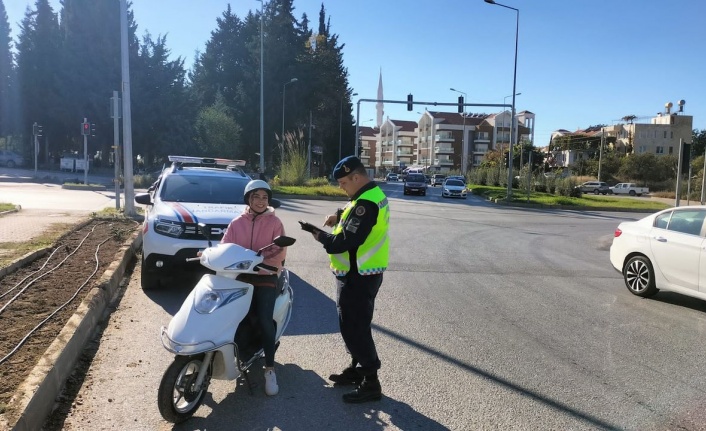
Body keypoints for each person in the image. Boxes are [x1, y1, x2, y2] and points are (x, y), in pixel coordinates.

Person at [309, 156, 390, 403]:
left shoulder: (366, 204)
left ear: (357, 177)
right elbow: (351, 209)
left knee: (355, 328)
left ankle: (370, 382)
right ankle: (357, 370)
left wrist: (318, 234)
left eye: (344, 182)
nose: (341, 187)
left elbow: (342, 242)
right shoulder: (371, 194)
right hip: (363, 273)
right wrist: (338, 214)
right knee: (355, 325)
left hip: (358, 276)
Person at [221, 179, 286, 396]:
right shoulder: (236, 223)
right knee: (228, 314)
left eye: (264, 197)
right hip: (240, 276)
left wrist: (263, 264)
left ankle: (269, 368)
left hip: (265, 275)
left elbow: (279, 251)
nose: (260, 201)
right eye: (256, 196)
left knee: (264, 317)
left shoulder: (275, 223)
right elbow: (225, 246)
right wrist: (209, 254)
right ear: (248, 199)